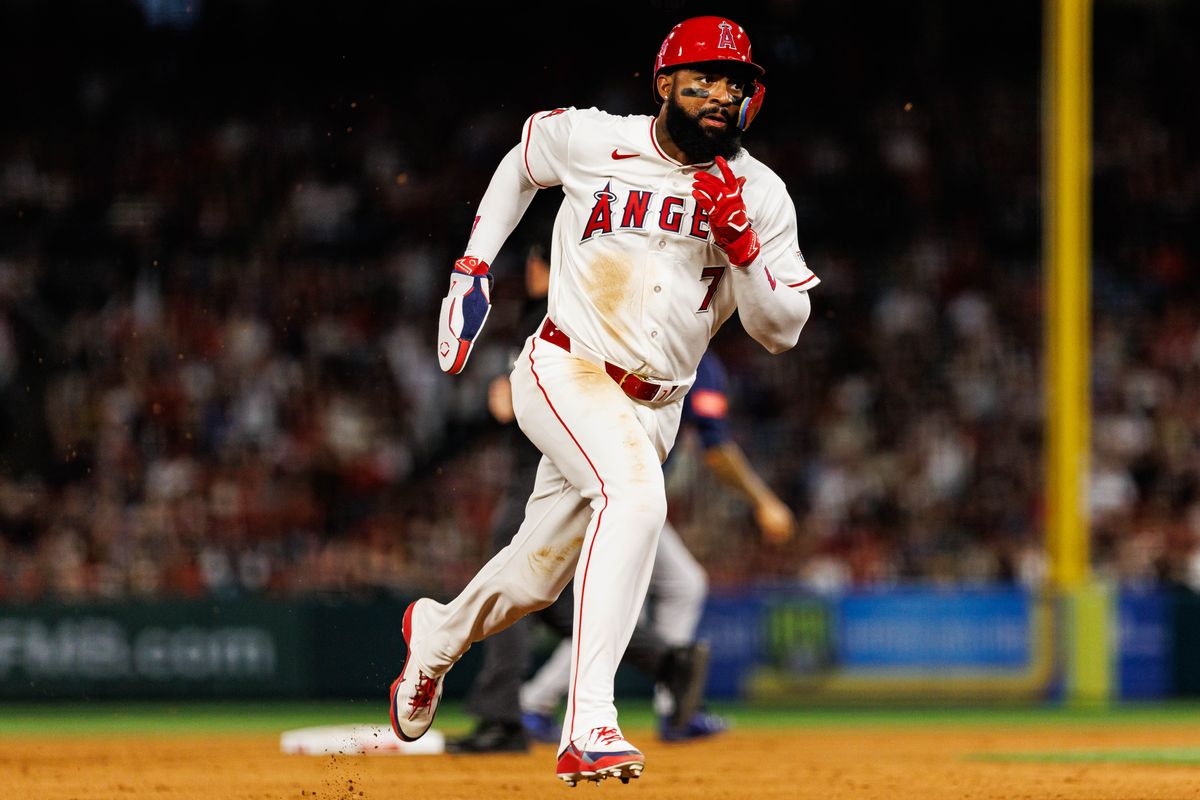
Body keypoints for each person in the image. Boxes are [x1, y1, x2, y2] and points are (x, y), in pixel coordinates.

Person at [393, 16, 818, 786]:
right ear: (664, 84)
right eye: (708, 77)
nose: (725, 93)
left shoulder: (759, 193)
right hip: (564, 368)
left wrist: (746, 250)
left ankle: (436, 637)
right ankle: (589, 723)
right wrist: (472, 265)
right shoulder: (596, 139)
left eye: (738, 82)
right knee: (636, 501)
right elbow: (523, 157)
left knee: (534, 578)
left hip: (654, 408)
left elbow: (781, 328)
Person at [446, 246, 714, 755]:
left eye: (535, 263)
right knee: (544, 595)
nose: (528, 272)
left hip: (547, 469)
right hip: (560, 462)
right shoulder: (575, 311)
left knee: (515, 575)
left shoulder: (566, 315)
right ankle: (665, 661)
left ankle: (502, 716)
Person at [516, 347, 797, 744]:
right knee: (621, 600)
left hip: (597, 484)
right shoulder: (699, 363)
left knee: (674, 586)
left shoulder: (632, 340)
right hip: (618, 492)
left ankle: (663, 705)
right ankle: (541, 702)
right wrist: (764, 501)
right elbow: (715, 448)